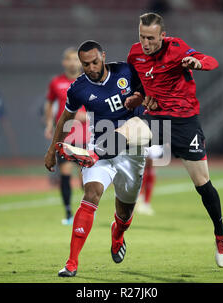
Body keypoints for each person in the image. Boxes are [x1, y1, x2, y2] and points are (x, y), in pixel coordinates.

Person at [126, 12, 223, 267]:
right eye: (141, 37)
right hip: (157, 118)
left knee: (203, 184)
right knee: (123, 136)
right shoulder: (134, 54)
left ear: (163, 35)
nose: (146, 43)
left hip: (185, 122)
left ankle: (220, 234)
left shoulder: (177, 48)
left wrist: (197, 64)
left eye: (151, 38)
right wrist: (139, 96)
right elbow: (139, 81)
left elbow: (211, 60)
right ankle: (94, 158)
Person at [44, 40, 149, 277]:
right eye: (85, 64)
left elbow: (146, 93)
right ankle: (71, 263)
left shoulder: (126, 71)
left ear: (103, 56)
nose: (91, 67)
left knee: (124, 213)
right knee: (91, 194)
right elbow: (64, 118)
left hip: (131, 152)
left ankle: (117, 234)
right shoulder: (78, 88)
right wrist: (52, 150)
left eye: (94, 62)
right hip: (98, 149)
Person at [44, 47, 89, 225]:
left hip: (86, 135)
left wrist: (88, 116)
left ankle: (85, 211)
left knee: (84, 181)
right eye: (69, 59)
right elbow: (49, 102)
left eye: (75, 59)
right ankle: (69, 213)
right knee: (65, 173)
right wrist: (48, 123)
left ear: (80, 62)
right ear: (64, 62)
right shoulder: (56, 82)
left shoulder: (88, 81)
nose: (72, 63)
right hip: (66, 136)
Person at [135, 144, 163, 215]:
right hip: (144, 139)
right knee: (144, 166)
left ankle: (145, 202)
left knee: (149, 168)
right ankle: (140, 198)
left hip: (154, 140)